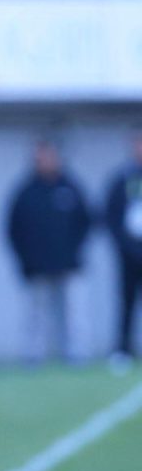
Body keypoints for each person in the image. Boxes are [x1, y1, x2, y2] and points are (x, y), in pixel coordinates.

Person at [5, 138, 90, 364]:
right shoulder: (26, 192)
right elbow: (13, 229)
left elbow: (86, 222)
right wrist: (25, 259)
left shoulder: (70, 187)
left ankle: (76, 355)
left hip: (69, 264)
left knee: (74, 314)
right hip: (36, 267)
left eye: (49, 156)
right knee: (36, 314)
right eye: (41, 157)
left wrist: (75, 252)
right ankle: (33, 356)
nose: (46, 161)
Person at [105, 128, 142, 361]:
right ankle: (123, 350)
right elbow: (110, 216)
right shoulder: (122, 179)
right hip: (129, 254)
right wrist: (125, 245)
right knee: (127, 301)